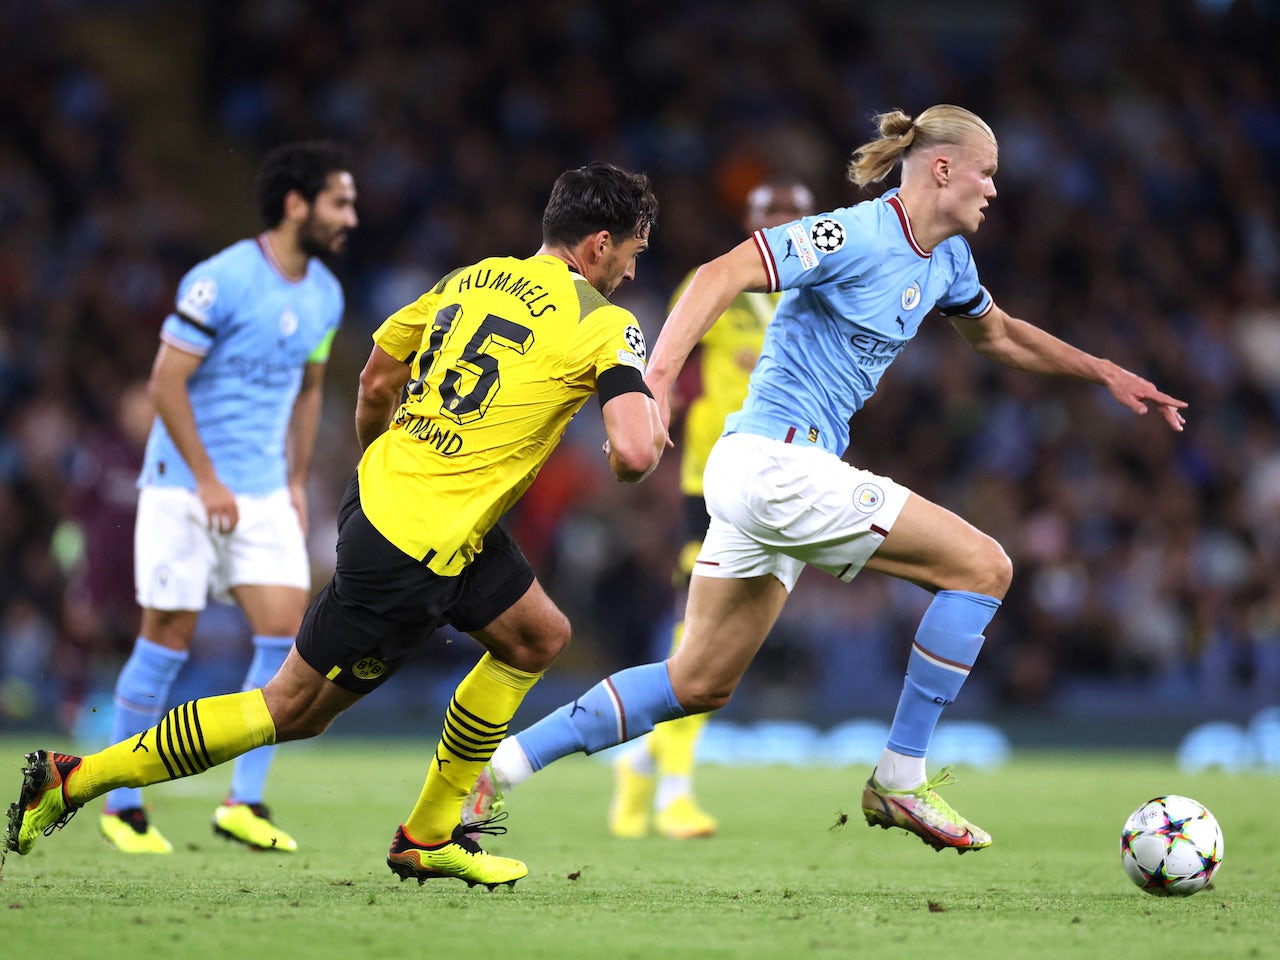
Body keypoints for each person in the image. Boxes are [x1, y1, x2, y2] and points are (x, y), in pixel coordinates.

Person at [465, 105, 1188, 857]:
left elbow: (998, 334)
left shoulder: (947, 262)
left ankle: (500, 768)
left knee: (699, 681)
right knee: (983, 566)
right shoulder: (857, 232)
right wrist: (657, 376)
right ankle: (900, 776)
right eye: (987, 173)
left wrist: (1101, 370)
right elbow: (724, 271)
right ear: (942, 169)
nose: (994, 191)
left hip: (767, 471)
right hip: (778, 463)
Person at [6, 161, 665, 889]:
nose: (632, 275)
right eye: (633, 255)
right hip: (417, 546)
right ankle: (74, 779)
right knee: (289, 709)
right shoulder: (607, 324)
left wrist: (388, 454)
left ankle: (429, 834)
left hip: (402, 504)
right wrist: (643, 436)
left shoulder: (470, 280)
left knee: (538, 634)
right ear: (600, 244)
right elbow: (633, 454)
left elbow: (377, 375)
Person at [94, 141, 358, 855]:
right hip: (184, 487)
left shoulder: (326, 295)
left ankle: (244, 800)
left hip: (265, 493)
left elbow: (307, 393)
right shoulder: (220, 280)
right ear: (296, 204)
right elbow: (164, 383)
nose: (351, 217)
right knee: (166, 637)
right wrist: (207, 477)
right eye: (340, 202)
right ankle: (121, 803)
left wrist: (296, 482)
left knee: (285, 645)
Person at [608, 177, 814, 840]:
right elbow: (657, 364)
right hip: (713, 475)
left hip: (790, 474)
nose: (781, 222)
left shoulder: (820, 289)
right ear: (751, 220)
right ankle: (674, 789)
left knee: (731, 639)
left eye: (793, 214)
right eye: (770, 213)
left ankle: (639, 760)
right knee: (698, 630)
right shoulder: (717, 281)